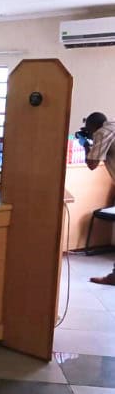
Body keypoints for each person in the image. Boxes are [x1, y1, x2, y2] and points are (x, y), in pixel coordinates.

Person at [82, 112, 115, 285]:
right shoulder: (113, 126)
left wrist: (85, 145)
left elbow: (92, 164)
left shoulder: (102, 133)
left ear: (93, 127)